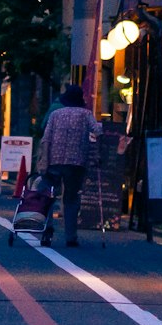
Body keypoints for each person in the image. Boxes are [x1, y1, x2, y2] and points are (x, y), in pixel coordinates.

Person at [36, 82, 102, 248]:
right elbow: (97, 130)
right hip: (76, 162)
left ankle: (47, 228)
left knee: (48, 195)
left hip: (54, 162)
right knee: (71, 199)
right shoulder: (86, 114)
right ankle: (71, 237)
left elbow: (46, 138)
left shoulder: (56, 114)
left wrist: (43, 160)